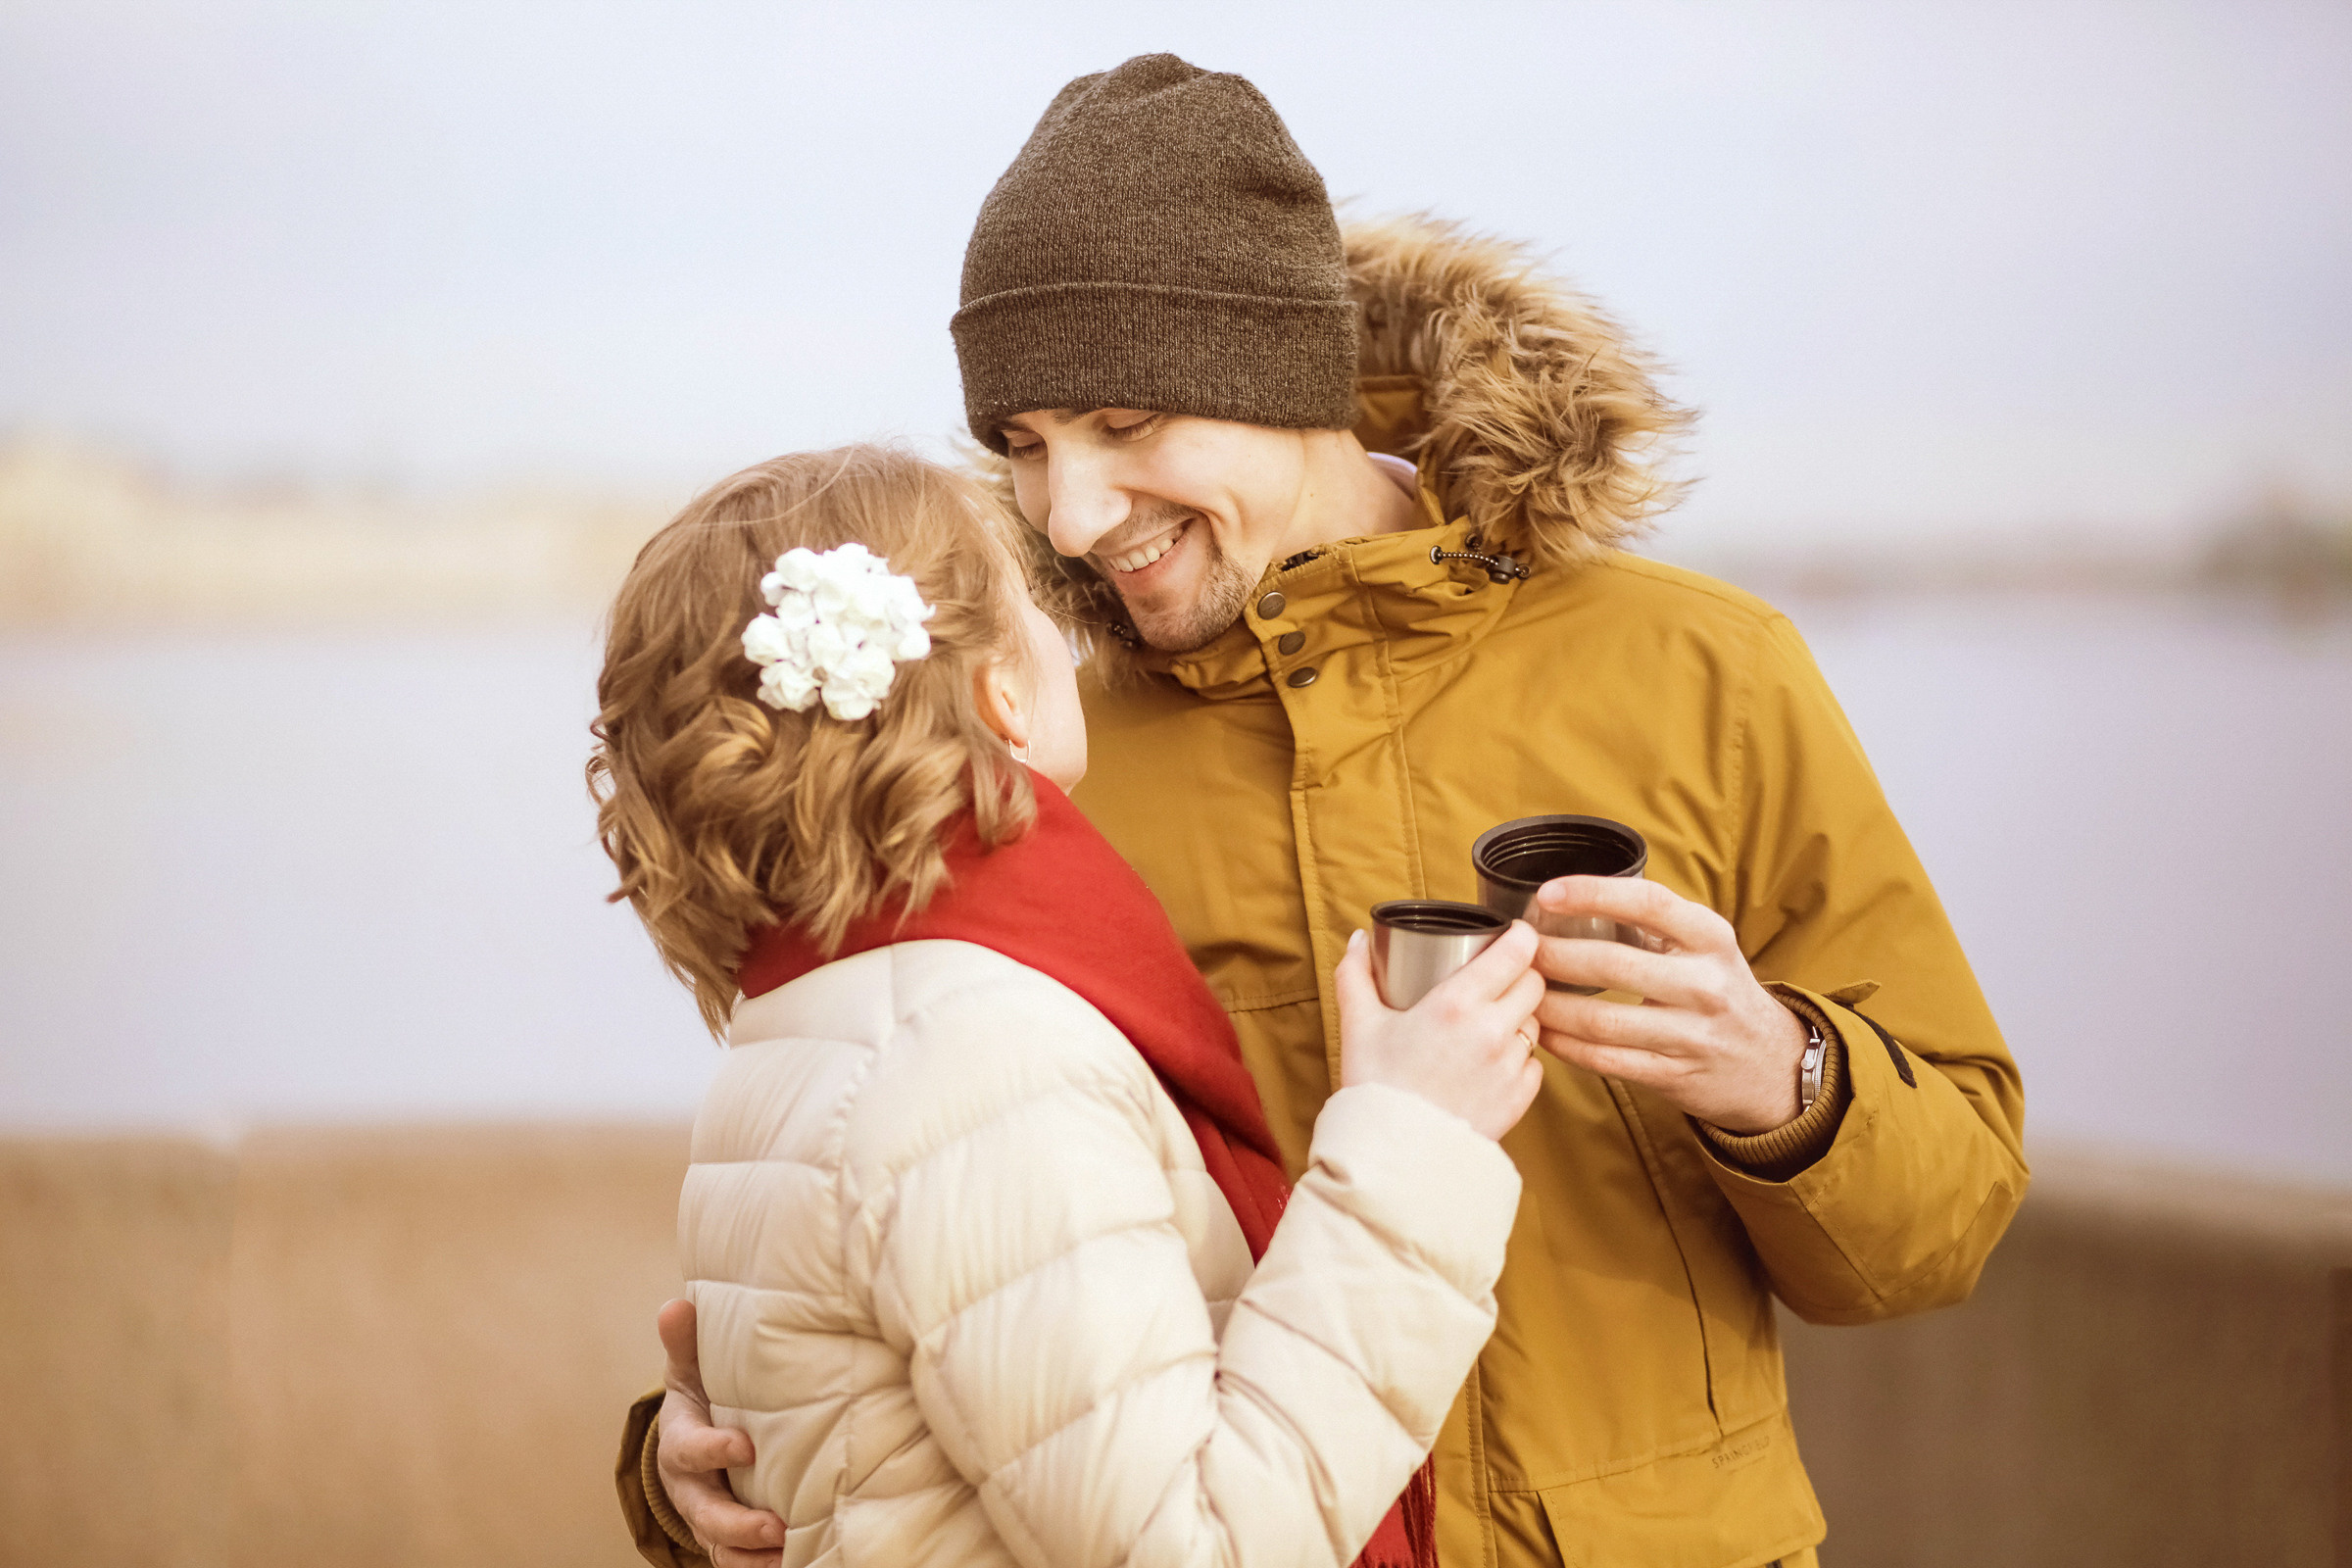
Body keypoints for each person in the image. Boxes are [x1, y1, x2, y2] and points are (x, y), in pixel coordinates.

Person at [629, 56, 2030, 1568]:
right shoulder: (1026, 772)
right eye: (1025, 444)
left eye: (1124, 419)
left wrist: (1784, 1075)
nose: (1072, 515)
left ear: (1286, 378)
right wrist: (699, 1464)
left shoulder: (1705, 672)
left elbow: (1942, 1224)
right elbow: (887, 1205)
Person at [593, 444, 1555, 1568]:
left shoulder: (806, 1026)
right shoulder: (974, 1058)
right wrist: (1412, 1138)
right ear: (1000, 694)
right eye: (1034, 601)